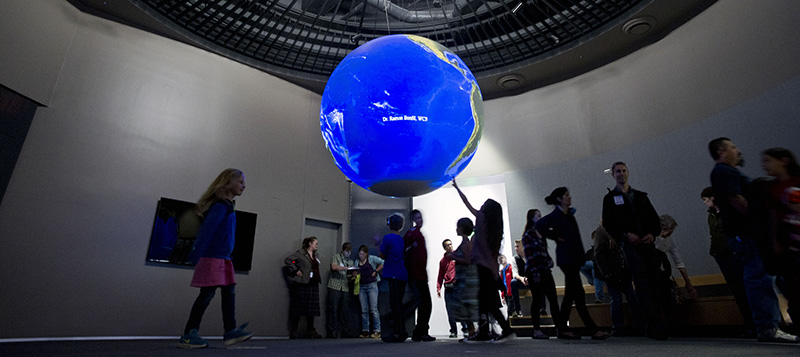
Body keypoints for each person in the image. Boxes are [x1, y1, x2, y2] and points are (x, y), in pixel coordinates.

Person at [709, 137, 797, 343]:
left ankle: (774, 323)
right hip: (746, 233)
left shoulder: (730, 171)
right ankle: (767, 326)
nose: (737, 150)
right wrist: (758, 221)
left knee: (769, 276)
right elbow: (736, 199)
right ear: (721, 152)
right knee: (758, 277)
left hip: (750, 233)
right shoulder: (723, 171)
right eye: (732, 147)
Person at [178, 168, 253, 349]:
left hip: (223, 258)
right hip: (213, 258)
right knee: (207, 294)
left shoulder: (228, 206)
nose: (244, 186)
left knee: (228, 292)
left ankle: (230, 331)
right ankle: (189, 334)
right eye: (240, 182)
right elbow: (207, 231)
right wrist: (196, 253)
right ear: (228, 183)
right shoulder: (220, 206)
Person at [602, 161, 666, 340]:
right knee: (642, 284)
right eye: (618, 172)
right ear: (613, 175)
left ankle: (660, 323)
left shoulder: (640, 196)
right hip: (631, 246)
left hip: (647, 244)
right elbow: (609, 223)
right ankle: (652, 325)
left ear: (627, 173)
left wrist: (653, 234)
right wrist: (625, 235)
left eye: (624, 171)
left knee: (654, 281)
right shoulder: (610, 199)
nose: (621, 174)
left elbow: (654, 219)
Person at [537, 187, 610, 340]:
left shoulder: (568, 215)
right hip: (567, 259)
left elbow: (575, 237)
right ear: (559, 199)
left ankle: (562, 328)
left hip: (572, 258)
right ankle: (592, 330)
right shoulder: (557, 216)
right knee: (578, 295)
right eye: (566, 195)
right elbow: (540, 225)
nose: (569, 198)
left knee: (571, 295)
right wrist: (555, 236)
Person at [453, 179, 516, 343]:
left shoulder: (481, 219)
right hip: (489, 267)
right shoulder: (495, 228)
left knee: (485, 301)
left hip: (481, 266)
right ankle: (485, 331)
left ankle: (503, 330)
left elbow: (467, 204)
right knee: (484, 300)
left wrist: (458, 188)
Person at [701, 187, 755, 336]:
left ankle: (755, 321)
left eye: (706, 199)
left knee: (744, 287)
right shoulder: (711, 216)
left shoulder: (727, 213)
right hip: (720, 253)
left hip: (733, 252)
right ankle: (749, 322)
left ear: (713, 198)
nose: (705, 203)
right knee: (736, 289)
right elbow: (714, 234)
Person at [761, 147, 800, 330]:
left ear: (784, 160)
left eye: (768, 160)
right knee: (793, 286)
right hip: (791, 244)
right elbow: (774, 217)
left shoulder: (795, 182)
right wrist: (775, 241)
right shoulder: (773, 188)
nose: (764, 165)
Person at [592, 225, 645, 336]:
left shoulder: (604, 232)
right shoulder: (608, 232)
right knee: (625, 298)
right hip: (616, 270)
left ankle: (621, 327)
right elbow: (599, 254)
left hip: (618, 271)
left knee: (621, 298)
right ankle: (632, 326)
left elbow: (598, 253)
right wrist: (606, 272)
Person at [521, 218, 563, 339]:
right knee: (537, 300)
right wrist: (534, 273)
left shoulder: (541, 234)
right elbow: (529, 256)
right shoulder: (528, 236)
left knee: (553, 299)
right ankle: (536, 330)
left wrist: (549, 260)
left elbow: (544, 251)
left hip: (545, 269)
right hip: (535, 270)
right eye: (537, 216)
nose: (539, 218)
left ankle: (558, 327)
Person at [403, 209, 435, 342]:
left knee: (423, 304)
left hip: (419, 274)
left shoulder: (416, 234)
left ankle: (420, 332)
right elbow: (404, 249)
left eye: (420, 217)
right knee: (425, 304)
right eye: (417, 218)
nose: (420, 220)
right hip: (416, 275)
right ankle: (420, 331)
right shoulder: (412, 234)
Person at [285, 236, 324, 339]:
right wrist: (296, 269)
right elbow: (290, 260)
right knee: (298, 307)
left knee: (311, 309)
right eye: (315, 243)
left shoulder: (316, 255)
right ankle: (294, 330)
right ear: (310, 244)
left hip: (313, 283)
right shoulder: (301, 253)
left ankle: (311, 330)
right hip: (302, 283)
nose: (317, 245)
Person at [446, 218, 479, 341]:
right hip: (463, 279)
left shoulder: (467, 244)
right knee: (464, 306)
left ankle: (472, 331)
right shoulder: (466, 243)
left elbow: (468, 260)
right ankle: (471, 331)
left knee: (466, 306)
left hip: (467, 279)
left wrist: (453, 256)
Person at [380, 213, 408, 343]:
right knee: (399, 304)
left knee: (394, 304)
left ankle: (397, 332)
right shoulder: (401, 239)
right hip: (402, 274)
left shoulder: (387, 238)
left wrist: (377, 243)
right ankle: (402, 330)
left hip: (392, 274)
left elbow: (383, 255)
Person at [655, 215, 698, 300]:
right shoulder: (654, 239)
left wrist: (688, 282)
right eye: (667, 229)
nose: (670, 232)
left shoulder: (669, 241)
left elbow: (679, 262)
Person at [437, 239, 467, 338]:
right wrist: (438, 288)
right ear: (444, 248)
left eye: (451, 244)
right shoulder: (443, 261)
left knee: (461, 308)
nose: (450, 246)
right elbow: (440, 275)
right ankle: (453, 331)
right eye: (447, 245)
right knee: (450, 310)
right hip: (448, 287)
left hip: (458, 286)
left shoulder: (457, 256)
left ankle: (465, 329)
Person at [326, 242, 355, 338]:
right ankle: (332, 332)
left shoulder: (350, 261)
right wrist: (345, 268)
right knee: (333, 309)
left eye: (350, 251)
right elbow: (334, 267)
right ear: (343, 250)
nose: (348, 253)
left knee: (344, 310)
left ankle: (345, 331)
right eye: (347, 251)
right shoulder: (336, 257)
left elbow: (348, 276)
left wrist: (352, 275)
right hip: (335, 286)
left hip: (345, 287)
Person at [355, 245, 384, 338]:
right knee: (364, 310)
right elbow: (355, 271)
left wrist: (376, 271)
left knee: (373, 309)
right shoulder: (357, 262)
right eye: (360, 254)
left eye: (363, 254)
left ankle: (377, 330)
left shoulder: (372, 259)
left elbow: (383, 262)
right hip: (362, 287)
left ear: (366, 254)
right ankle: (365, 330)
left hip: (372, 285)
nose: (361, 256)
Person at [507, 240, 529, 317]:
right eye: (515, 246)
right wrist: (522, 278)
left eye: (517, 246)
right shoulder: (514, 259)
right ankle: (517, 309)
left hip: (532, 281)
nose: (516, 249)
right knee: (513, 282)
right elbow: (515, 273)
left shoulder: (530, 256)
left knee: (541, 281)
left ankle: (542, 309)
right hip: (521, 281)